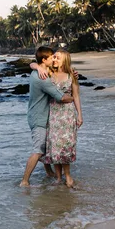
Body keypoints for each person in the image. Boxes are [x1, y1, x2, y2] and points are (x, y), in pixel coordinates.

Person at [20, 47, 74, 187]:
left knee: (45, 148)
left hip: (35, 115)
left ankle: (49, 173)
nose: (54, 59)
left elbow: (32, 64)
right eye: (51, 57)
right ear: (44, 60)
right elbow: (61, 97)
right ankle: (24, 181)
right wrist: (73, 97)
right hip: (39, 118)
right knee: (38, 150)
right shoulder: (43, 78)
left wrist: (37, 66)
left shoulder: (36, 71)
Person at [33, 49, 82, 188]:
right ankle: (59, 178)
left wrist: (80, 115)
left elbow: (76, 96)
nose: (54, 59)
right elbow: (33, 64)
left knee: (65, 146)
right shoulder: (49, 73)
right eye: (54, 57)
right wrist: (37, 66)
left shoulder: (71, 75)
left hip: (67, 114)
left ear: (64, 60)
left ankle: (68, 176)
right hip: (53, 113)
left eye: (57, 58)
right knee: (54, 146)